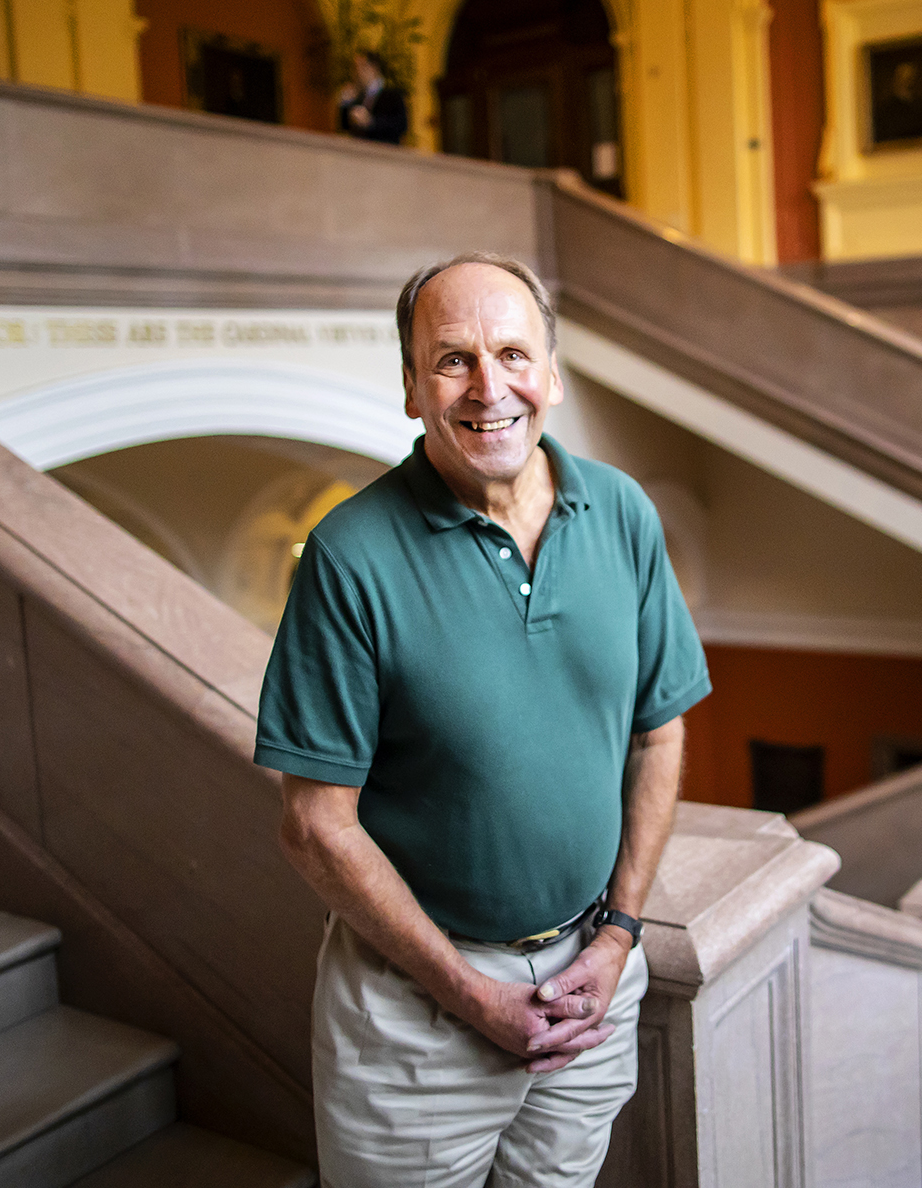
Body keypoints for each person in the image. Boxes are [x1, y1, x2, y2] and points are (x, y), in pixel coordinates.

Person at [257, 252, 708, 1187]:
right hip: (415, 1018)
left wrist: (620, 933)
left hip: (591, 985)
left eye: (512, 353)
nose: (488, 386)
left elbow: (658, 731)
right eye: (453, 359)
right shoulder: (349, 555)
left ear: (551, 370)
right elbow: (314, 825)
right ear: (414, 389)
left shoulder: (621, 511)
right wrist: (469, 993)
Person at [337, 49, 409, 144]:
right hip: (359, 153)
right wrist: (345, 105)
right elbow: (345, 127)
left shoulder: (393, 95)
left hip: (383, 154)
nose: (356, 73)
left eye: (360, 67)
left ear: (373, 68)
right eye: (355, 68)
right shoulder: (359, 96)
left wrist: (371, 121)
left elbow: (401, 125)